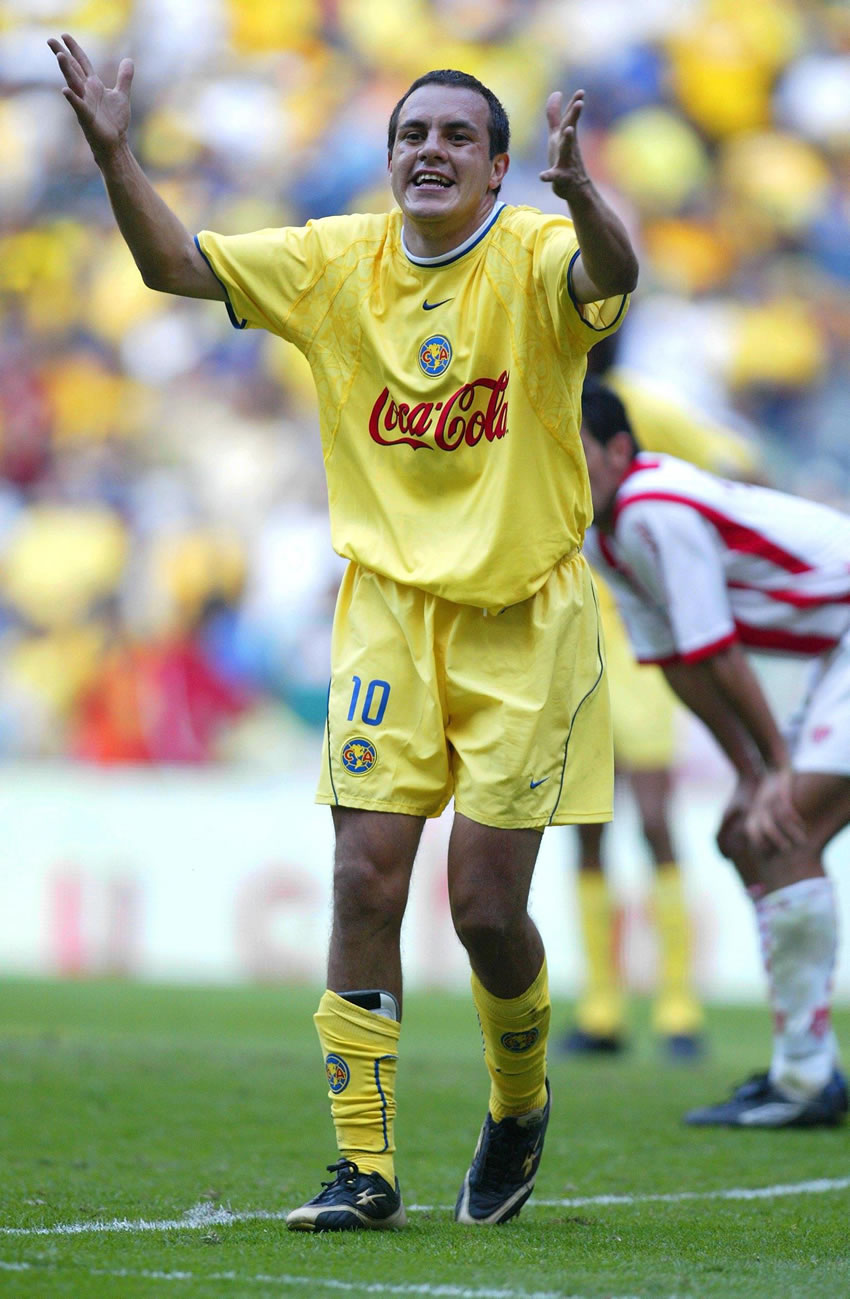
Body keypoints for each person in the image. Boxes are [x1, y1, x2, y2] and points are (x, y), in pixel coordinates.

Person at [49, 35, 639, 1225]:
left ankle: (517, 1104)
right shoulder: (331, 262)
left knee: (482, 910)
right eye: (410, 136)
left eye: (456, 138)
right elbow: (172, 266)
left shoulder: (535, 256)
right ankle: (362, 1168)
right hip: (384, 615)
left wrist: (581, 195)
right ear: (387, 160)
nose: (429, 151)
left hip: (523, 621)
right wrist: (115, 154)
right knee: (363, 880)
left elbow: (611, 273)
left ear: (497, 169)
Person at [578, 376, 849, 1128]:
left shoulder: (654, 508)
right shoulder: (603, 535)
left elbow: (716, 648)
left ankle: (806, 1078)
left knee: (777, 829)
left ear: (620, 450)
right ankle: (806, 1065)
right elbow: (674, 662)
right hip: (836, 650)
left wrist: (772, 771)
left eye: (573, 452)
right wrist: (750, 772)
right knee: (747, 834)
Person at [562, 341, 763, 1060]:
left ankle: (677, 1003)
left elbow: (734, 460)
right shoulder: (525, 390)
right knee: (585, 824)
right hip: (569, 636)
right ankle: (602, 1005)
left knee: (650, 814)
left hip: (635, 628)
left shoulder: (638, 407)